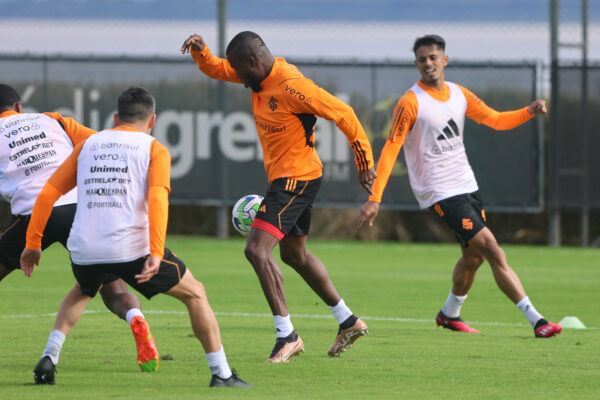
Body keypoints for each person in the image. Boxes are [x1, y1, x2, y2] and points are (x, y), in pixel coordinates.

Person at [21, 87, 252, 387]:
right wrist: (156, 252)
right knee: (195, 294)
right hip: (132, 249)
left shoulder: (88, 145)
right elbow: (157, 200)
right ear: (152, 120)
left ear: (116, 117)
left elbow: (48, 193)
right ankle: (221, 373)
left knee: (83, 289)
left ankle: (49, 357)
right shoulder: (154, 148)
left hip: (85, 248)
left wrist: (32, 244)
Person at [181, 31, 377, 362]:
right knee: (294, 255)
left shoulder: (293, 86)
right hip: (292, 178)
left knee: (257, 251)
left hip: (294, 180)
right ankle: (347, 320)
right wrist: (202, 53)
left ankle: (287, 335)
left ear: (253, 62)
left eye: (241, 72)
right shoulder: (256, 77)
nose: (239, 80)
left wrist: (364, 163)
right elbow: (219, 69)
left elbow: (345, 114)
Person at [359, 35, 561, 338]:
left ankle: (449, 314)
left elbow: (495, 120)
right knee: (492, 249)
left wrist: (528, 111)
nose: (428, 63)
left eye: (433, 57)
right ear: (416, 64)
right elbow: (390, 149)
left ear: (445, 60)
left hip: (466, 184)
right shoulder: (410, 102)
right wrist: (375, 198)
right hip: (438, 192)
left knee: (474, 257)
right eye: (422, 59)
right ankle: (537, 321)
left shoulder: (459, 94)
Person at [0, 83, 159, 384]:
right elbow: (102, 144)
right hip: (81, 207)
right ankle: (135, 318)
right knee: (114, 290)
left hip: (36, 212)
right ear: (19, 106)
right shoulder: (54, 120)